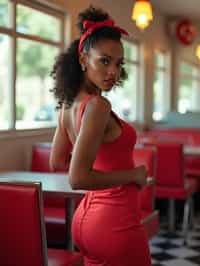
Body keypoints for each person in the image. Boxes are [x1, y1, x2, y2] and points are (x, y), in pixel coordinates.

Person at [50, 5, 151, 266]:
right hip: (115, 223)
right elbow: (77, 177)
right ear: (83, 59)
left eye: (119, 64)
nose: (113, 72)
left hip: (86, 222)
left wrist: (91, 155)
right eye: (104, 61)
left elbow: (57, 162)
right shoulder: (97, 106)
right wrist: (134, 175)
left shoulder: (67, 106)